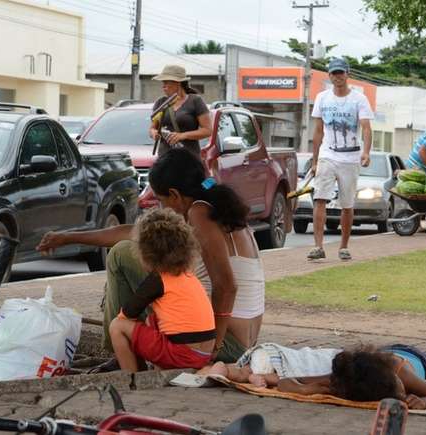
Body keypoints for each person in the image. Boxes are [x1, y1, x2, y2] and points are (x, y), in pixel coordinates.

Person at [36, 148, 265, 364]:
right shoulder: (212, 204)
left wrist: (213, 347)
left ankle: (120, 350)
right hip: (242, 340)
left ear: (174, 195)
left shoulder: (199, 213)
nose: (160, 207)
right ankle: (127, 345)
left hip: (228, 345)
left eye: (161, 200)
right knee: (135, 256)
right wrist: (68, 238)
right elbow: (130, 232)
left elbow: (226, 286)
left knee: (120, 255)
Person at [201, 343, 426, 410]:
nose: (402, 395)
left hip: (415, 361)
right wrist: (311, 388)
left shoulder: (404, 375)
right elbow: (286, 383)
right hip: (384, 354)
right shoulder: (343, 379)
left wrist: (424, 402)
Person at [108, 208, 216, 371]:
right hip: (203, 355)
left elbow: (127, 314)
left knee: (117, 326)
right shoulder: (188, 276)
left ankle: (132, 379)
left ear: (146, 253)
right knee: (151, 321)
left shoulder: (158, 280)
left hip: (182, 355)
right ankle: (156, 371)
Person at [308, 58, 374, 261]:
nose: (337, 77)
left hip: (350, 158)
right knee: (320, 198)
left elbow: (366, 127)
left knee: (347, 204)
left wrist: (366, 152)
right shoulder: (322, 98)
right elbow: (318, 131)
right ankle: (318, 246)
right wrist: (315, 159)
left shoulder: (359, 99)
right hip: (328, 155)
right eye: (334, 73)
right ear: (329, 76)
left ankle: (344, 246)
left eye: (340, 73)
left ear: (347, 74)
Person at [149, 64, 212, 157]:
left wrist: (182, 135)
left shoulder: (195, 100)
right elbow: (152, 128)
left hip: (189, 158)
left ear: (178, 83)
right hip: (165, 158)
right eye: (163, 83)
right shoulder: (161, 102)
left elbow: (207, 131)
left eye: (166, 82)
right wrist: (154, 133)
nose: (163, 86)